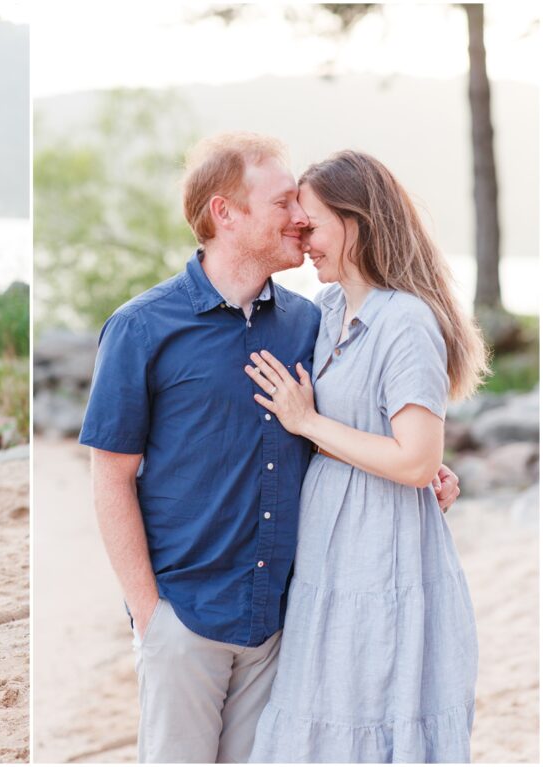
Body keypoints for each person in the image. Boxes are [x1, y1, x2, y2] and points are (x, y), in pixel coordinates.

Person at [78, 132, 460, 763]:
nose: (299, 218)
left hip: (281, 622)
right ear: (224, 213)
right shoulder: (142, 327)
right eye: (284, 202)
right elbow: (110, 478)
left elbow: (344, 420)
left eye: (303, 207)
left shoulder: (311, 322)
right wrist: (151, 616)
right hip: (186, 616)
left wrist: (423, 467)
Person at [246, 150, 488, 763]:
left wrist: (309, 421)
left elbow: (411, 461)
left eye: (313, 225)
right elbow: (397, 445)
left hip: (381, 553)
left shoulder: (404, 321)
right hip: (329, 550)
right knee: (320, 716)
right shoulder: (328, 312)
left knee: (374, 718)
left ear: (355, 224)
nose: (303, 239)